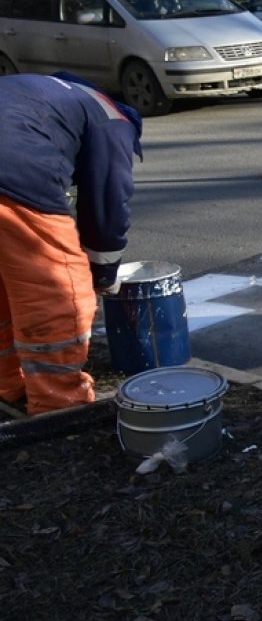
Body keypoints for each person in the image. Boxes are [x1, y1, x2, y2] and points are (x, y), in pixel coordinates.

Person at [0, 73, 142, 414]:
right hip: (12, 178)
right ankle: (59, 406)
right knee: (58, 292)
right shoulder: (113, 120)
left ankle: (8, 384)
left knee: (6, 286)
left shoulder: (46, 94)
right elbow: (107, 208)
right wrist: (103, 274)